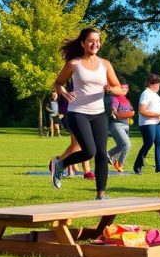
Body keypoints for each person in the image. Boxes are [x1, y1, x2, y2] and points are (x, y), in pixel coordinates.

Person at [50, 28, 126, 200]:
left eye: (97, 40)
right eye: (91, 40)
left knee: (101, 153)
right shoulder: (73, 63)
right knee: (89, 151)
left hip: (99, 113)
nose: (95, 43)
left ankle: (101, 195)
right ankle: (61, 163)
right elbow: (58, 83)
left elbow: (119, 88)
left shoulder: (105, 64)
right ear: (83, 43)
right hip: (78, 113)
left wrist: (109, 88)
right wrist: (63, 92)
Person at [132, 73, 160, 174]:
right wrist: (157, 114)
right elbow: (142, 110)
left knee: (159, 143)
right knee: (148, 143)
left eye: (159, 83)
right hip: (147, 123)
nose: (158, 85)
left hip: (157, 123)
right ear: (149, 83)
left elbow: (157, 109)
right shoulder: (146, 93)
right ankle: (137, 165)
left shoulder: (156, 96)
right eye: (155, 83)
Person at [107, 82, 133, 173]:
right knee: (127, 144)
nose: (124, 90)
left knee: (122, 146)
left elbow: (130, 112)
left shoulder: (126, 100)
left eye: (126, 88)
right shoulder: (115, 98)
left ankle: (113, 159)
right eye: (122, 88)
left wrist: (131, 115)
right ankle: (113, 158)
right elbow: (113, 107)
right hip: (117, 125)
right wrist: (114, 112)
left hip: (126, 125)